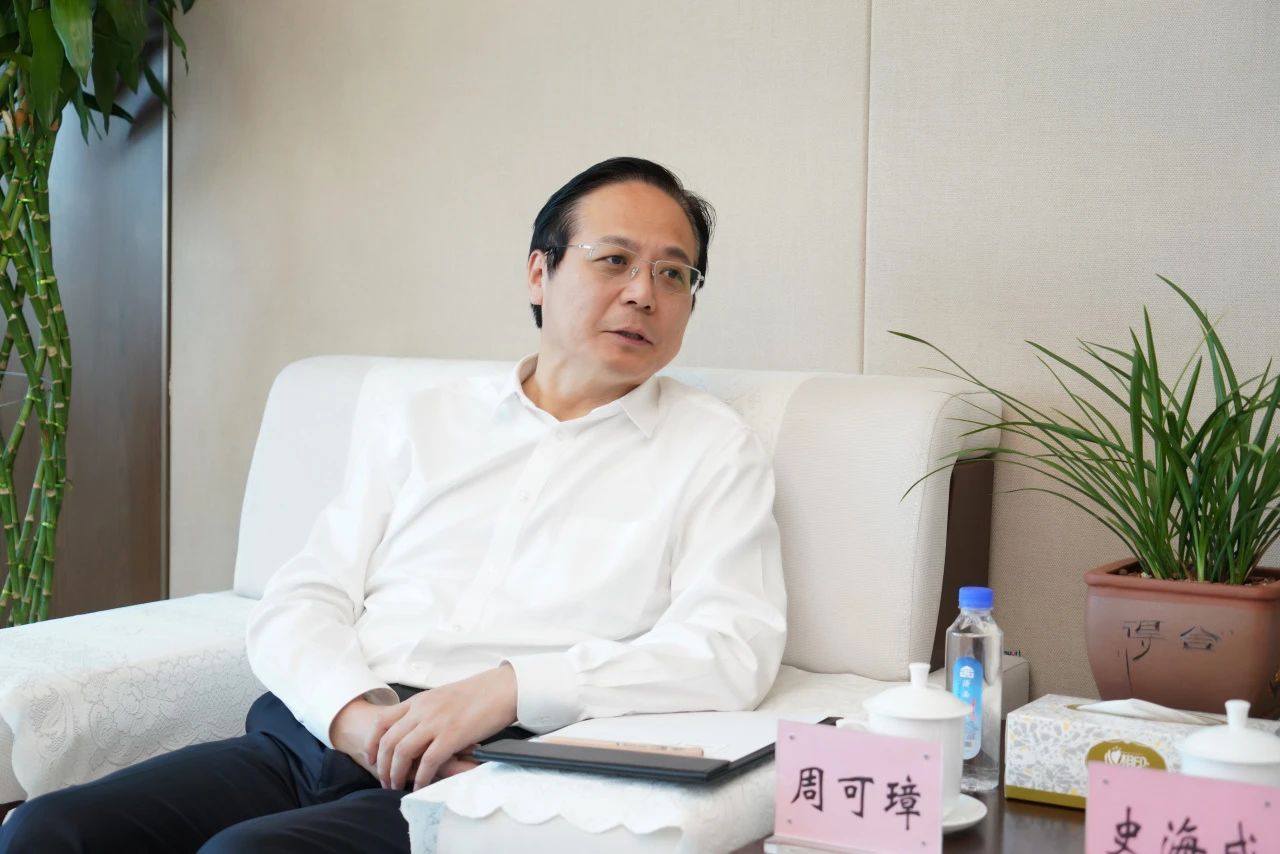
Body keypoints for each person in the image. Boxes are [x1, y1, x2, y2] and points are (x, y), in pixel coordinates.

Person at [0, 156, 786, 853]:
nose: (644, 293)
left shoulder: (712, 450)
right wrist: (353, 714)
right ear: (538, 274)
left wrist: (507, 689)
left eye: (674, 275)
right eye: (615, 260)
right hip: (320, 733)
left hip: (488, 767)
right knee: (47, 831)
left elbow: (731, 647)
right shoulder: (424, 417)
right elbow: (304, 597)